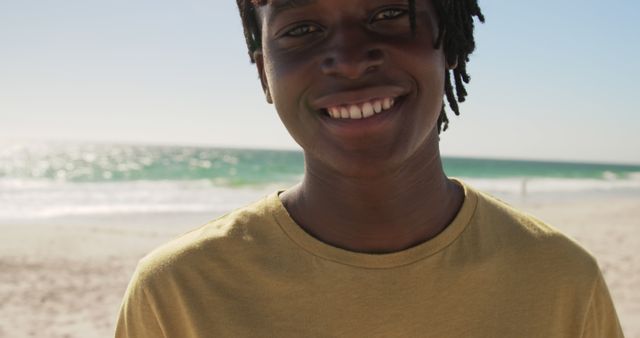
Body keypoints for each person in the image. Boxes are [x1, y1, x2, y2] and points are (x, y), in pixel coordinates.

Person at [116, 0, 624, 336]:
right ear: (264, 72)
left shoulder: (559, 279)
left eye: (386, 13)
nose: (350, 59)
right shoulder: (178, 291)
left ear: (448, 38)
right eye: (303, 29)